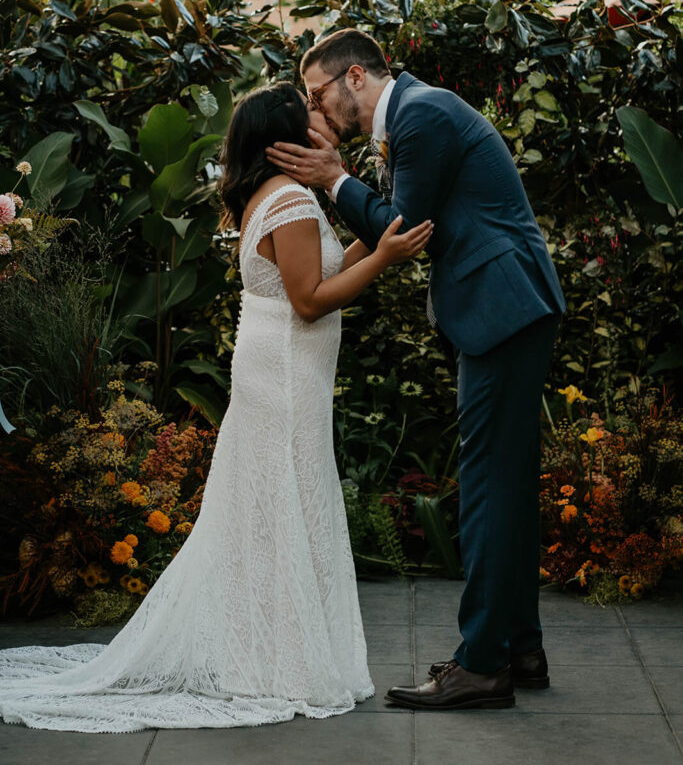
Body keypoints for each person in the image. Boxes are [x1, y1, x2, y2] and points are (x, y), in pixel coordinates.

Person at [0, 82, 432, 732]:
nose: (323, 117)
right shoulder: (287, 200)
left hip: (281, 368)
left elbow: (321, 268)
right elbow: (311, 300)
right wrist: (387, 259)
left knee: (272, 508)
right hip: (285, 373)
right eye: (310, 112)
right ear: (285, 137)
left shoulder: (274, 196)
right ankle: (275, 664)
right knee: (281, 506)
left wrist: (374, 247)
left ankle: (263, 655)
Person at [266, 29, 566, 711]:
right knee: (507, 486)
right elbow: (397, 220)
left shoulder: (422, 114)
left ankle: (482, 665)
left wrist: (331, 178)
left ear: (353, 79)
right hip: (508, 307)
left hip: (502, 308)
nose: (314, 108)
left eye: (316, 92)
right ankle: (519, 648)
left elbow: (399, 225)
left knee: (489, 490)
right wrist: (343, 179)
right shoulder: (415, 116)